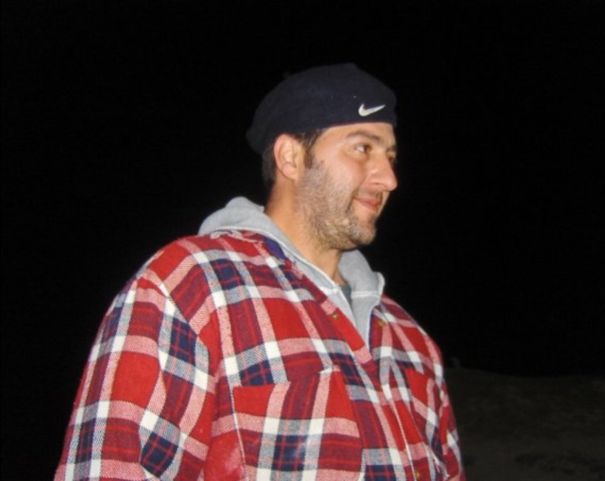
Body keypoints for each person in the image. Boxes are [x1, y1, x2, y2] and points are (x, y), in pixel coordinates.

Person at [55, 63, 465, 481]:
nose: (389, 178)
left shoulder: (411, 341)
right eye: (363, 148)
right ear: (291, 157)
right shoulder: (194, 288)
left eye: (390, 157)